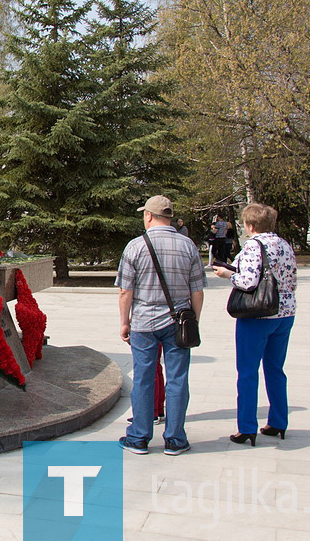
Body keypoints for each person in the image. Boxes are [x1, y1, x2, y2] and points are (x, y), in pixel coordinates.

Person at [116, 195, 205, 456]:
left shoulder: (135, 247)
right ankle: (175, 439)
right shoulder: (188, 246)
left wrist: (124, 322)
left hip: (144, 323)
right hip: (178, 323)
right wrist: (194, 321)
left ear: (148, 216)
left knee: (144, 379)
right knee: (178, 379)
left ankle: (139, 438)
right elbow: (197, 291)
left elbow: (125, 291)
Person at [212, 203, 297, 446]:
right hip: (284, 313)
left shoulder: (253, 245)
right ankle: (279, 421)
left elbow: (248, 282)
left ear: (250, 225)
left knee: (248, 372)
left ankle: (247, 427)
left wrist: (227, 274)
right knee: (275, 369)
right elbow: (291, 278)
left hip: (257, 316)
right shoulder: (284, 244)